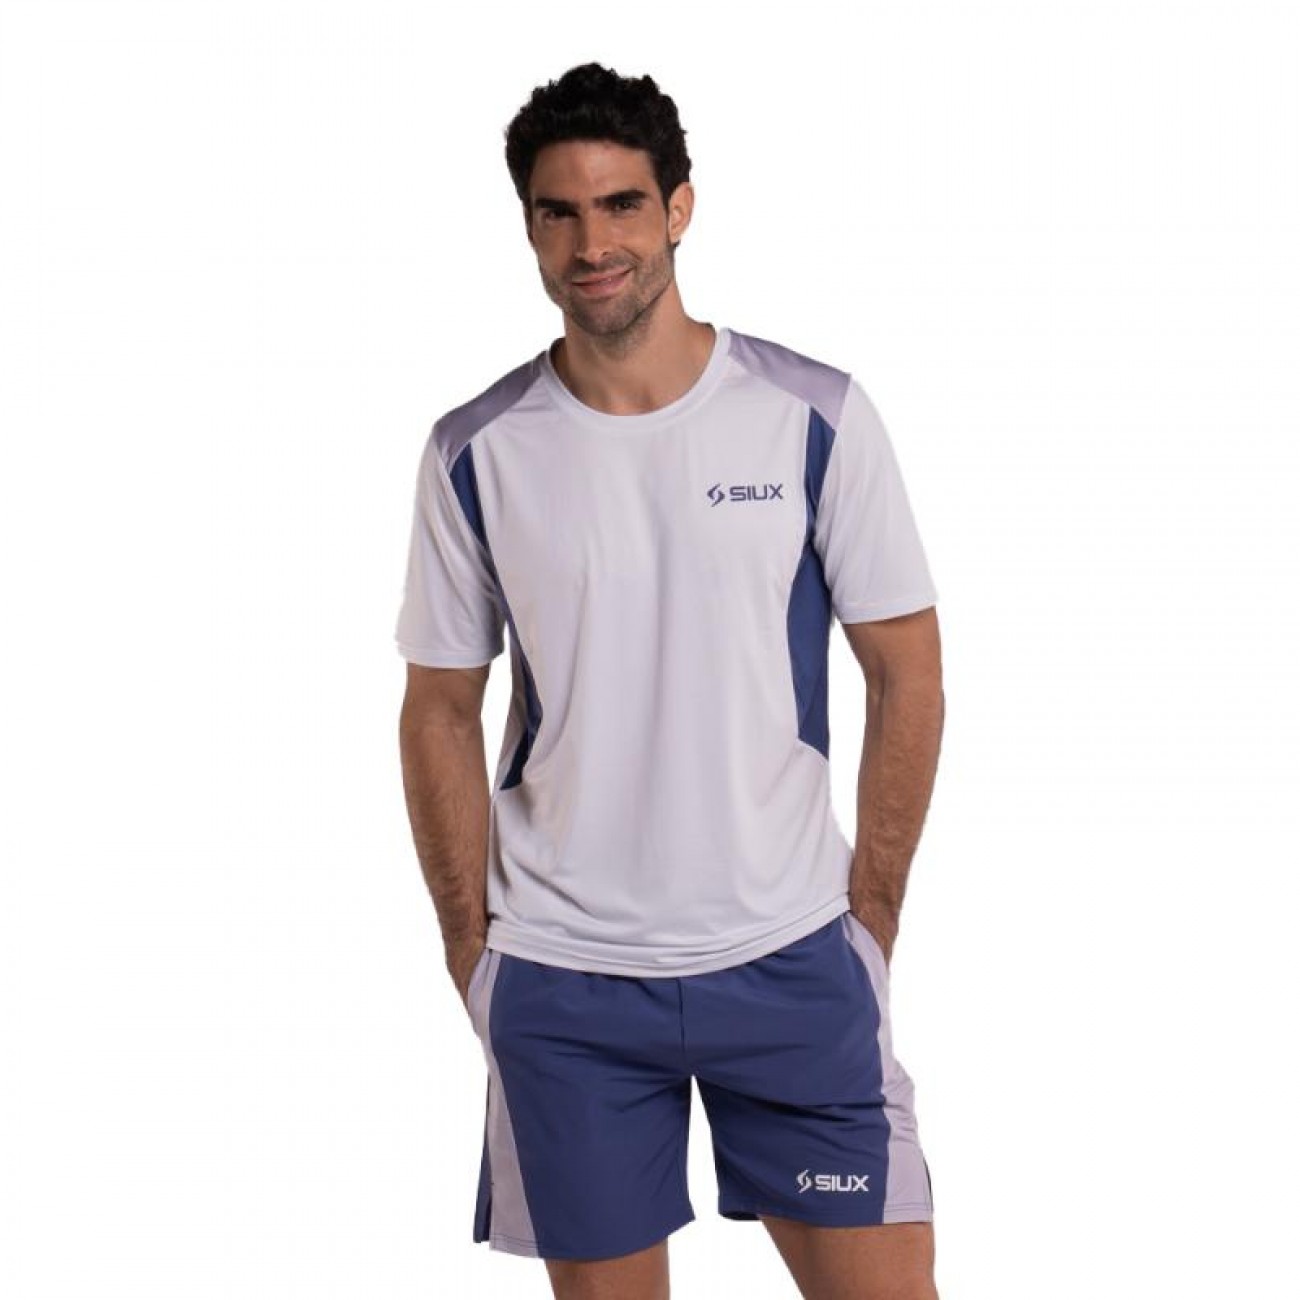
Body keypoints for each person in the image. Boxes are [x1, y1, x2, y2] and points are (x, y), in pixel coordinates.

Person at [395, 61, 945, 1300]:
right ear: (528, 226)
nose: (592, 244)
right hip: (566, 977)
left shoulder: (811, 415)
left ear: (679, 207)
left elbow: (906, 667)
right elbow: (438, 704)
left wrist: (870, 914)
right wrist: (470, 946)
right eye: (558, 212)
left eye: (621, 205)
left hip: (789, 952)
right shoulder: (476, 450)